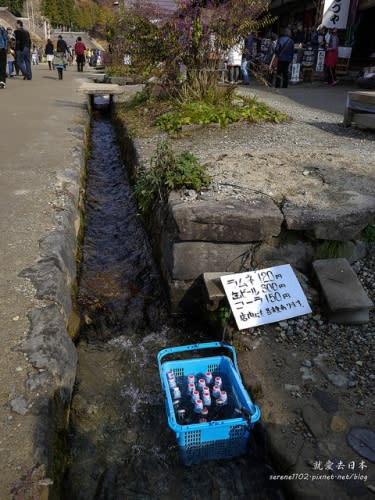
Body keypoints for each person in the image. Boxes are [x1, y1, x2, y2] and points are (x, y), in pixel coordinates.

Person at [0, 23, 8, 88]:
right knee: (3, 66)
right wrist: (5, 48)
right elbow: (6, 39)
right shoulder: (2, 28)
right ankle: (2, 81)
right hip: (2, 49)